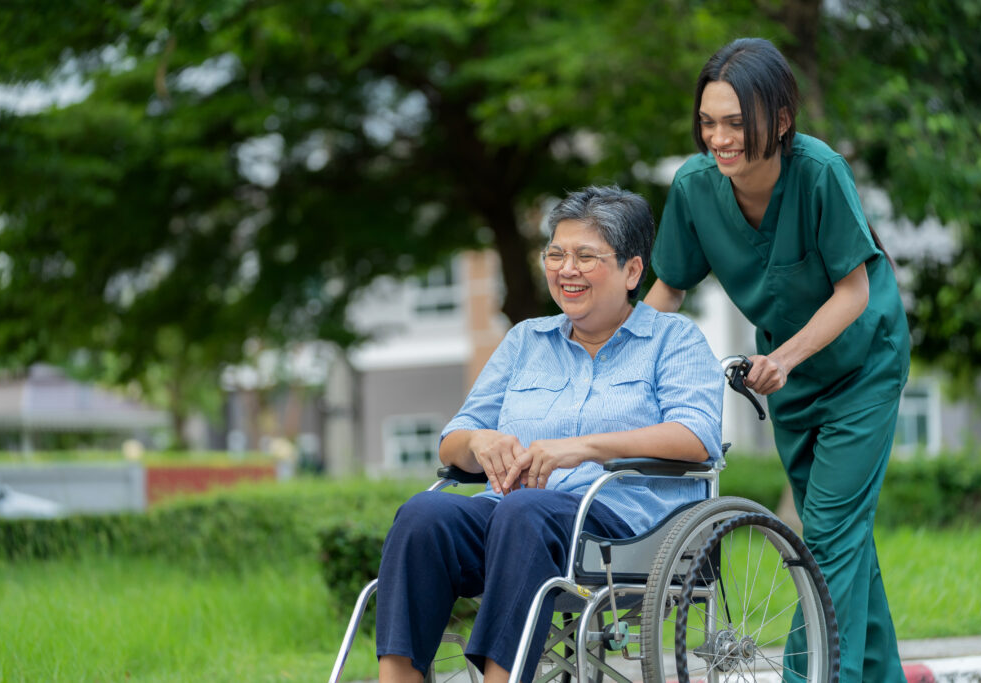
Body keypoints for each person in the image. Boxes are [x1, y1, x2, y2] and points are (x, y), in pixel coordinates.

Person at [376, 185, 724, 683]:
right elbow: (454, 439)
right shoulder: (525, 341)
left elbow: (697, 436)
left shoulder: (675, 338)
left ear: (632, 270)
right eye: (556, 254)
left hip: (626, 527)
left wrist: (583, 448)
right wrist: (479, 442)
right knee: (423, 514)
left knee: (526, 509)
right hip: (514, 520)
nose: (566, 269)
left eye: (586, 256)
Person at [643, 38, 911, 682]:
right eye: (709, 122)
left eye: (735, 123)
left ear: (780, 120)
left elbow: (856, 290)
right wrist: (620, 362)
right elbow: (668, 290)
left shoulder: (819, 171)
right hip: (787, 383)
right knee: (843, 538)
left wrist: (784, 357)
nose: (719, 138)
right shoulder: (694, 187)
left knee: (823, 538)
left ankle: (810, 675)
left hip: (862, 367)